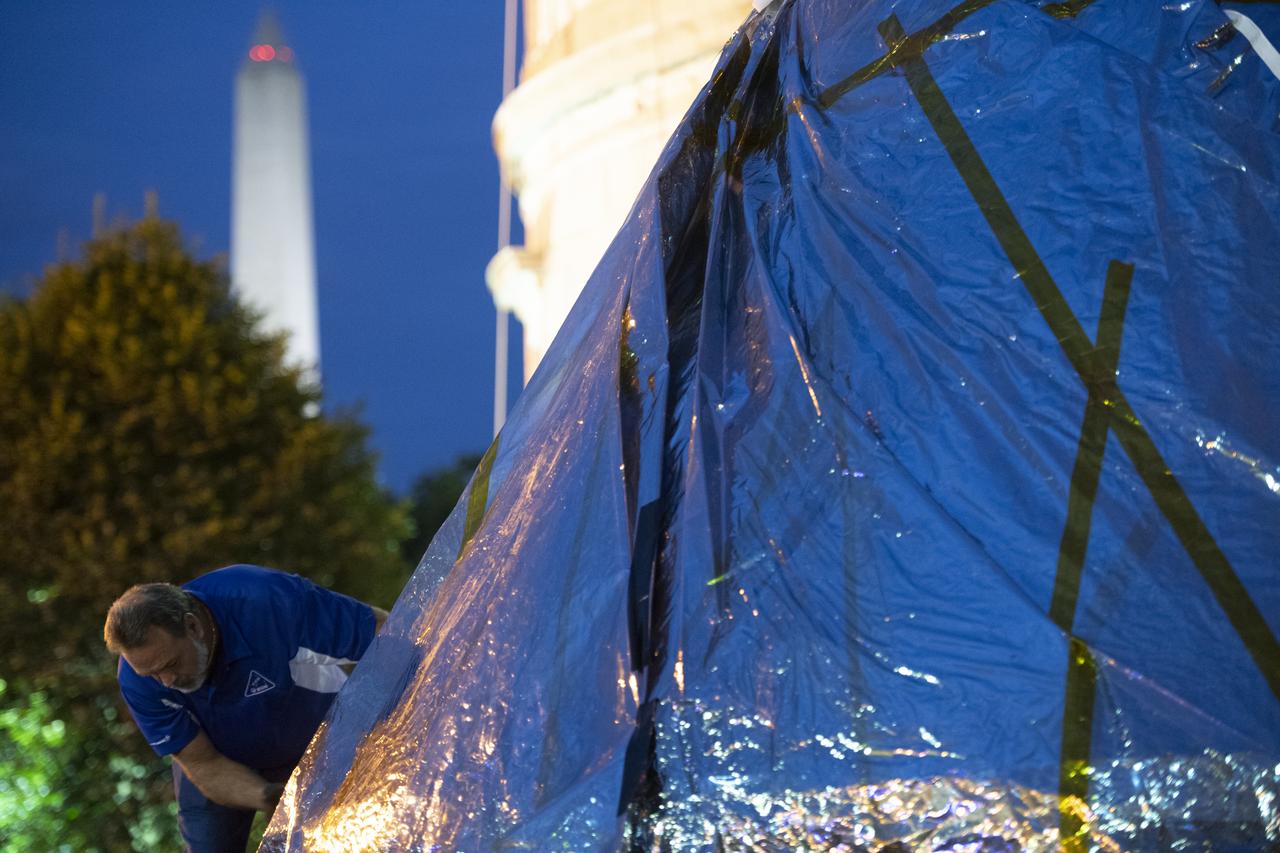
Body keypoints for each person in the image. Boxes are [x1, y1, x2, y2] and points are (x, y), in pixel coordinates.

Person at [103, 564, 389, 853]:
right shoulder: (137, 680)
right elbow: (203, 764)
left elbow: (381, 633)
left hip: (312, 728)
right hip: (221, 763)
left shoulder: (267, 601)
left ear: (193, 626)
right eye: (151, 674)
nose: (166, 682)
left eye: (171, 665)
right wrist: (265, 796)